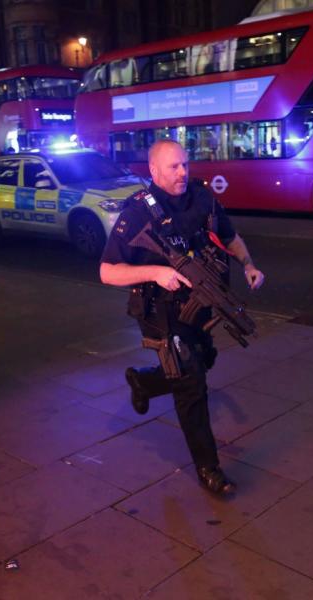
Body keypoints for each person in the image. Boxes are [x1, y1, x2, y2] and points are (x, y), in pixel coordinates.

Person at [99, 139, 265, 496]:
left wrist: (248, 265)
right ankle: (209, 467)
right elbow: (108, 271)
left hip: (198, 304)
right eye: (173, 167)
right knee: (191, 384)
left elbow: (230, 236)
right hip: (161, 311)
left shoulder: (202, 199)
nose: (182, 173)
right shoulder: (138, 212)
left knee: (205, 359)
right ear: (154, 171)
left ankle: (145, 382)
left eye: (185, 165)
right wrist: (155, 273)